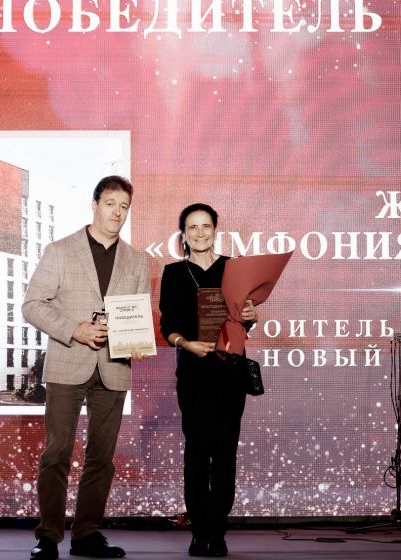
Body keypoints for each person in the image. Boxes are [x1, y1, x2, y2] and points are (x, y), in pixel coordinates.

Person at [22, 176, 150, 560]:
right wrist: (73, 330)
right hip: (67, 362)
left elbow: (137, 313)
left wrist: (138, 340)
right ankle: (48, 536)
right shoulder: (60, 251)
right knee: (57, 452)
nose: (117, 212)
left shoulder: (137, 260)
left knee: (102, 458)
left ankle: (87, 534)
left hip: (114, 366)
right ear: (95, 205)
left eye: (124, 206)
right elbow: (32, 305)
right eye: (110, 203)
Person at [158, 203, 258, 557]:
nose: (199, 233)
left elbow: (244, 319)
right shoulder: (173, 273)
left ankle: (218, 530)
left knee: (225, 453)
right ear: (183, 234)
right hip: (193, 375)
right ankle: (199, 530)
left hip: (230, 374)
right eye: (192, 227)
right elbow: (167, 325)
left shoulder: (234, 269)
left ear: (216, 229)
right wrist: (185, 344)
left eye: (205, 226)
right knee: (198, 453)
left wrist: (251, 314)